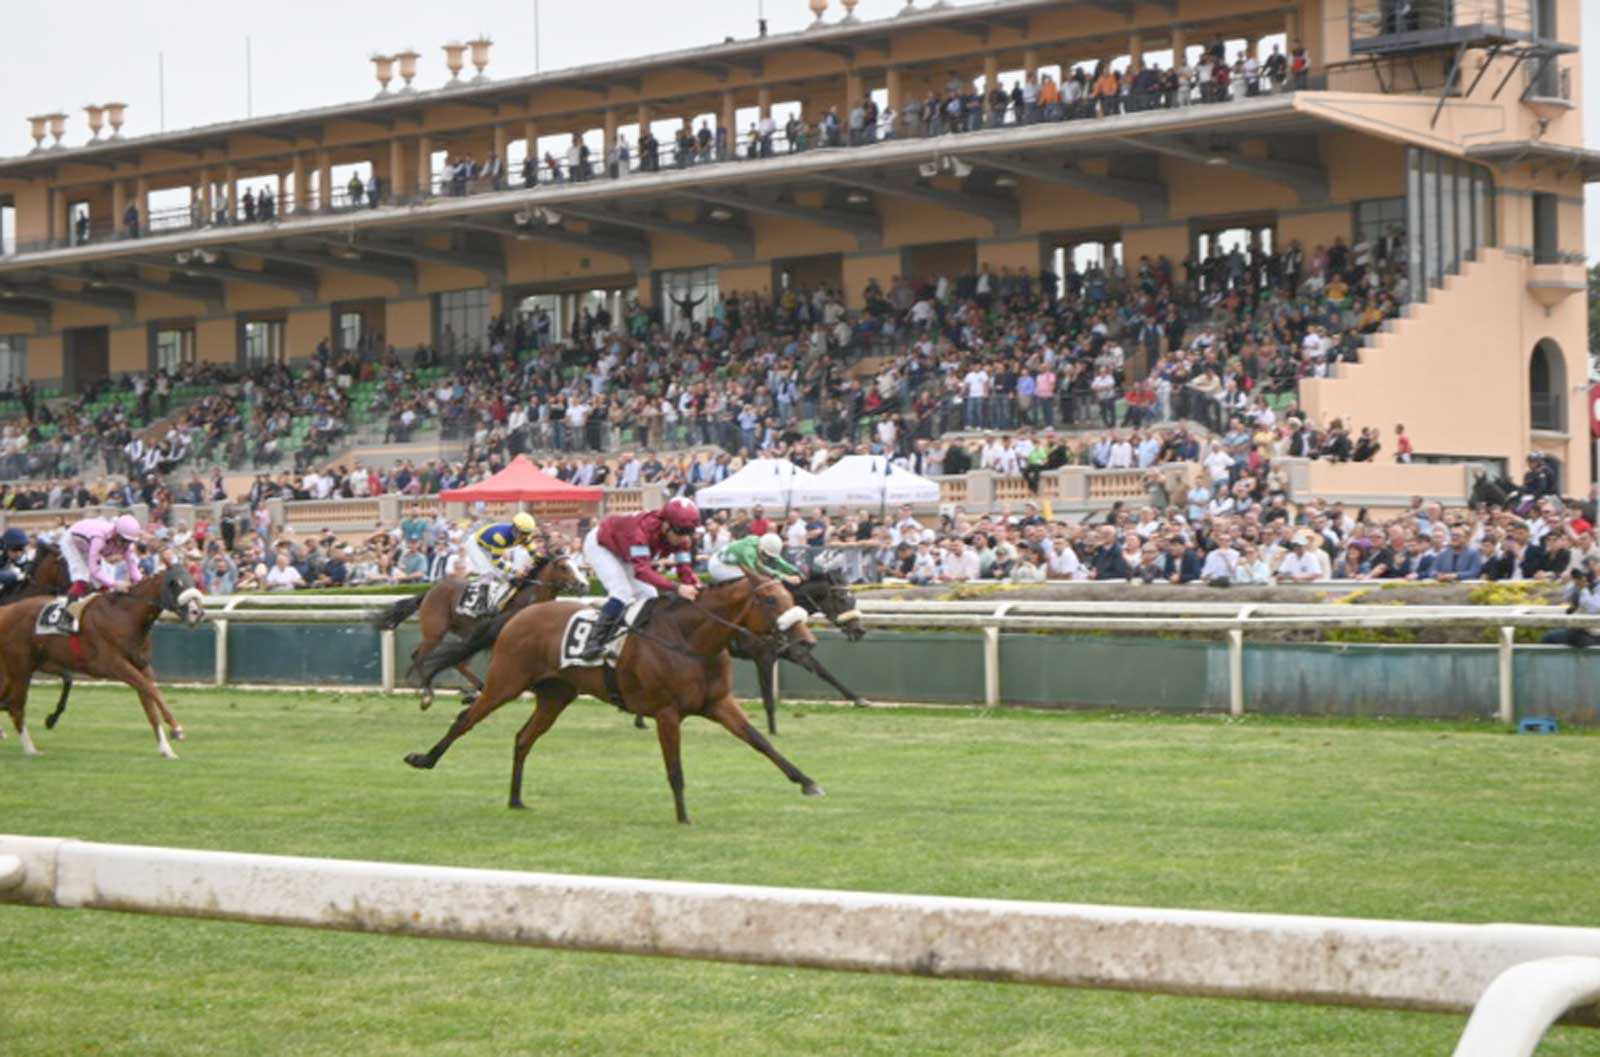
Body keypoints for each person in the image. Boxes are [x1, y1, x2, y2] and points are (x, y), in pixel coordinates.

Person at [580, 496, 702, 661]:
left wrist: (695, 586)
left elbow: (684, 571)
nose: (683, 537)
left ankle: (634, 641)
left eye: (689, 532)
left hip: (624, 550)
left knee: (650, 596)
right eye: (680, 531)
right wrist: (677, 588)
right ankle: (593, 642)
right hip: (601, 544)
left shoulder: (682, 539)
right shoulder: (641, 531)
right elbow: (642, 572)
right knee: (622, 591)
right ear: (665, 524)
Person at [463, 512, 540, 607]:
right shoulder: (501, 537)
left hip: (489, 547)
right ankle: (480, 602)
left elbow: (534, 553)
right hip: (475, 545)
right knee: (488, 573)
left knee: (505, 575)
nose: (524, 536)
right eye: (522, 533)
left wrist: (540, 559)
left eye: (527, 533)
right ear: (515, 528)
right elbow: (496, 561)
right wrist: (514, 571)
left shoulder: (524, 536)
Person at [63, 513, 146, 598]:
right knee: (82, 578)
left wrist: (144, 583)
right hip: (72, 542)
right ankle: (68, 608)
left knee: (104, 580)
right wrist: (114, 584)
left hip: (88, 544)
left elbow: (134, 571)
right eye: (123, 540)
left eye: (129, 541)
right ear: (116, 533)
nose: (126, 544)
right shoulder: (99, 539)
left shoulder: (128, 545)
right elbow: (94, 569)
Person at [1541, 558, 1600, 647]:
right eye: (1586, 567)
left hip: (1594, 634)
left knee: (1549, 637)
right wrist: (1575, 583)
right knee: (1550, 635)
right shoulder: (1591, 582)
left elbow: (1593, 608)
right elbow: (1566, 598)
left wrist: (1583, 588)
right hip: (1582, 629)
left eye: (1593, 566)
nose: (1589, 570)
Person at [707, 532, 801, 585]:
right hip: (719, 566)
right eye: (767, 556)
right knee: (750, 582)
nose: (767, 558)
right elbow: (759, 571)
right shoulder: (748, 553)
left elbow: (777, 559)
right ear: (762, 549)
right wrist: (785, 577)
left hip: (727, 559)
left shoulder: (759, 541)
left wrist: (796, 571)